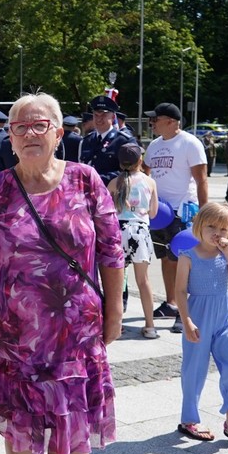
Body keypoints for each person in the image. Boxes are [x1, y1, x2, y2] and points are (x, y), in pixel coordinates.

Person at [0, 92, 123, 454]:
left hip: (77, 332)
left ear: (58, 133)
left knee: (72, 420)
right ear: (10, 136)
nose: (30, 133)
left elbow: (112, 251)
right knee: (20, 421)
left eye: (40, 125)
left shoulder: (85, 180)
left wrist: (114, 312)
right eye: (20, 127)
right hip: (14, 333)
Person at [175, 202, 228, 450]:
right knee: (194, 371)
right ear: (199, 225)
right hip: (197, 319)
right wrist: (186, 320)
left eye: (223, 228)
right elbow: (180, 291)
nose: (217, 233)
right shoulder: (187, 256)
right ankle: (189, 419)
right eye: (211, 226)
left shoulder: (226, 255)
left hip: (224, 321)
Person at [142, 103, 208, 333]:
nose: (152, 123)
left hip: (182, 211)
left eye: (156, 119)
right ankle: (171, 303)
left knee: (183, 261)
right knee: (165, 258)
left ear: (171, 121)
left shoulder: (190, 143)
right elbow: (145, 173)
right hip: (159, 213)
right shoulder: (154, 145)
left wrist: (204, 212)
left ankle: (184, 310)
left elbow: (201, 179)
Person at [108, 144, 159, 338]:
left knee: (118, 282)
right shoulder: (149, 182)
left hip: (118, 232)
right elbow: (153, 213)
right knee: (143, 281)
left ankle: (117, 325)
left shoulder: (114, 183)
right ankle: (150, 326)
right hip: (140, 231)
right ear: (140, 160)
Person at [79, 94, 137, 183]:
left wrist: (97, 179)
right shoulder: (85, 141)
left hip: (112, 190)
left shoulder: (124, 141)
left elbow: (129, 172)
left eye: (103, 115)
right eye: (96, 115)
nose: (99, 119)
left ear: (113, 117)